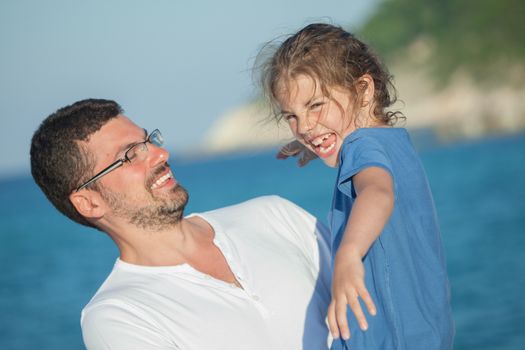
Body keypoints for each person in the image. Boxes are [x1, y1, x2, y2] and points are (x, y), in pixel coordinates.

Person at [30, 98, 332, 350]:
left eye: (148, 141)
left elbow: (374, 296)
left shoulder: (272, 214)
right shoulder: (118, 316)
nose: (161, 154)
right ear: (89, 202)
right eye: (130, 155)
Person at [256, 23, 455, 349]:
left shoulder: (362, 148)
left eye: (315, 106)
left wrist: (348, 256)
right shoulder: (388, 143)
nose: (304, 126)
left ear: (363, 91)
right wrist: (315, 143)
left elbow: (377, 193)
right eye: (291, 116)